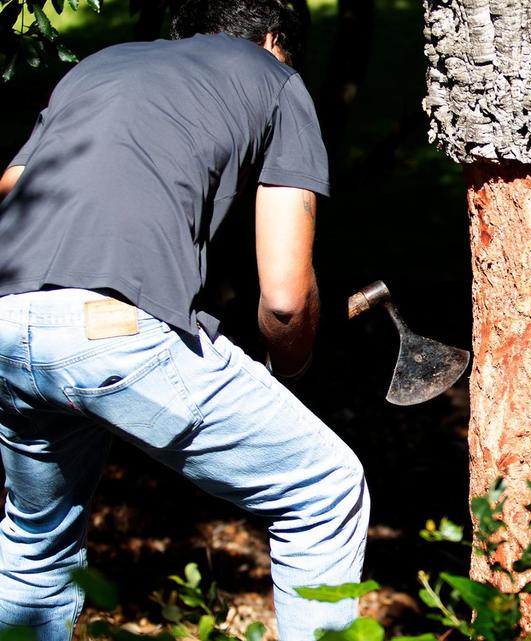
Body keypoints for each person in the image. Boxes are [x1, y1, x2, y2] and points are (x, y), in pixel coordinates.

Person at [0, 1, 370, 639]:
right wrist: (292, 363)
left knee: (36, 542)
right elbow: (284, 297)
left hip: (7, 320)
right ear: (274, 38)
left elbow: (14, 187)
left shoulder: (100, 65)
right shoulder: (274, 76)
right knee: (324, 491)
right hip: (113, 332)